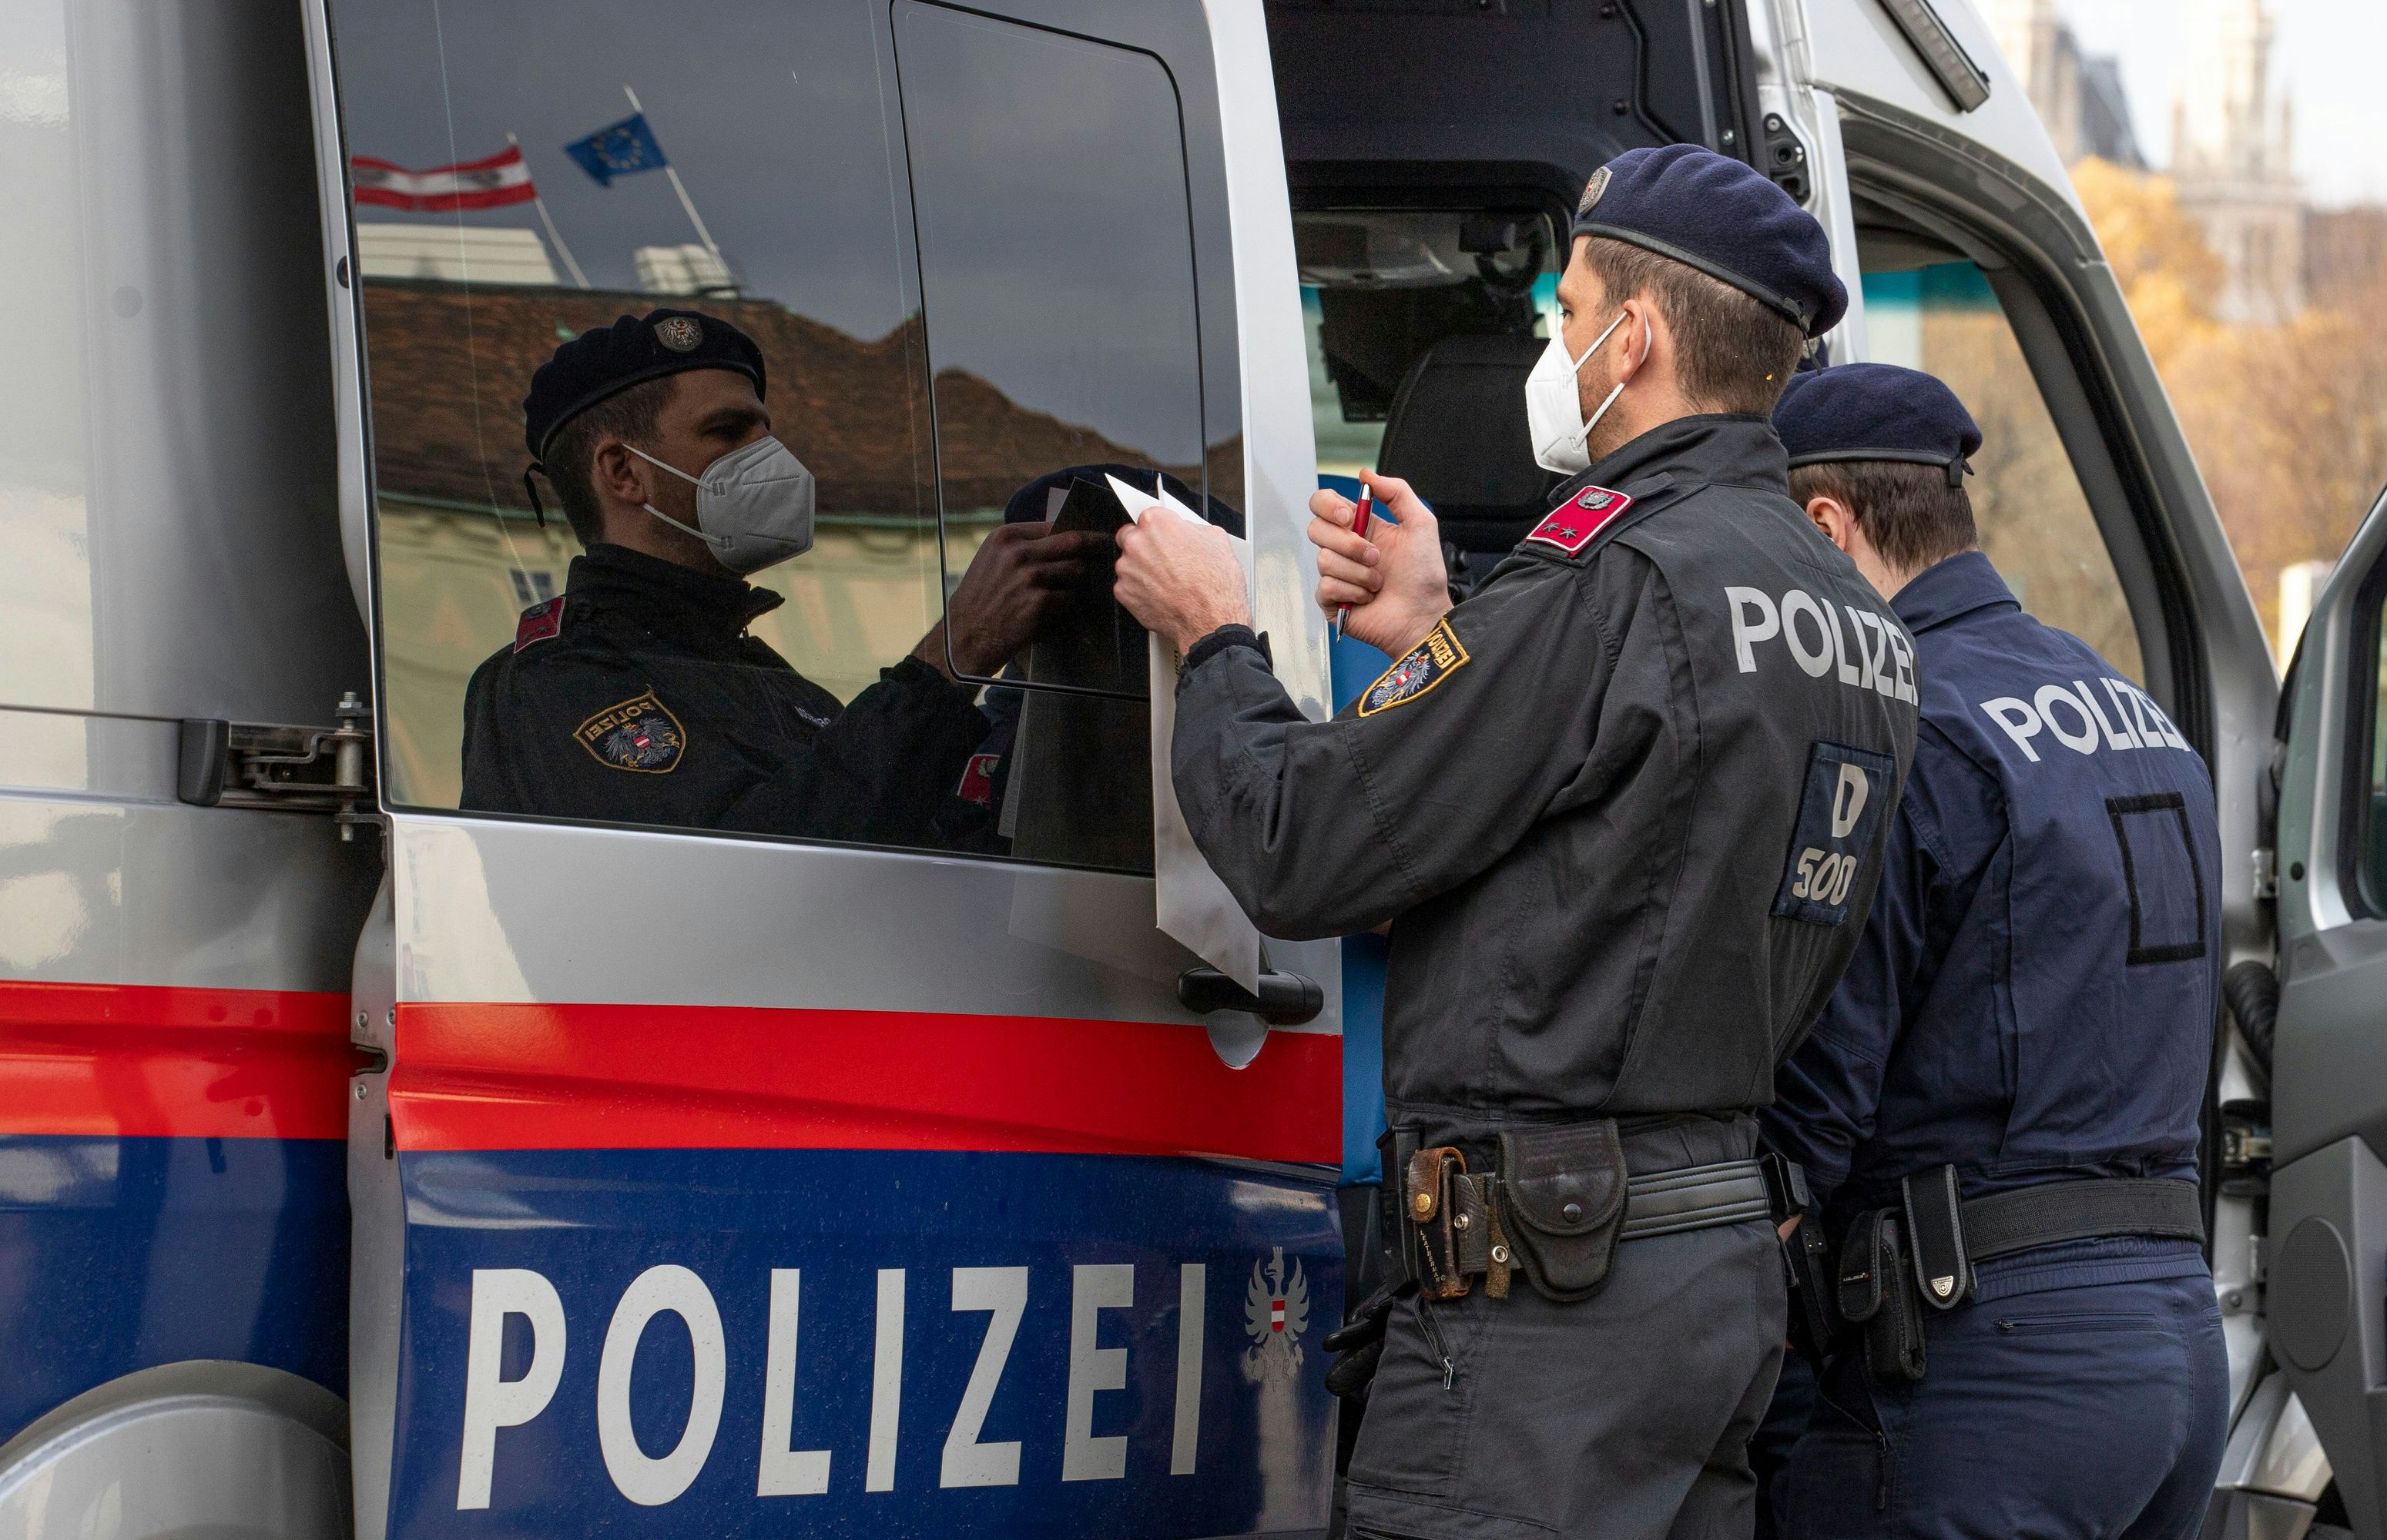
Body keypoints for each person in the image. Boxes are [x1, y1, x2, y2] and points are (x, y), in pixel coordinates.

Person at [1111, 145, 1914, 1540]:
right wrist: (1447, 631)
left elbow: (1303, 842)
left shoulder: (1610, 576)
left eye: (1569, 313)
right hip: (1709, 1271)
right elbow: (1626, 844)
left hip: (1549, 1303)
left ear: (1634, 338)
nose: (1556, 343)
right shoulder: (1849, 616)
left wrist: (1216, 634)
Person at [1756, 363, 2228, 1539]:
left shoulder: (1900, 725)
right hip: (2172, 1350)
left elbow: (1816, 1104)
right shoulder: (2139, 715)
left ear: (1828, 529)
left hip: (1989, 1374)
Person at [461, 308, 1104, 844]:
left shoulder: (769, 682)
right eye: (728, 432)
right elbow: (758, 872)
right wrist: (954, 653)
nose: (771, 458)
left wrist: (1040, 701)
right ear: (624, 473)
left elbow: (919, 854)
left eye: (765, 432)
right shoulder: (554, 684)